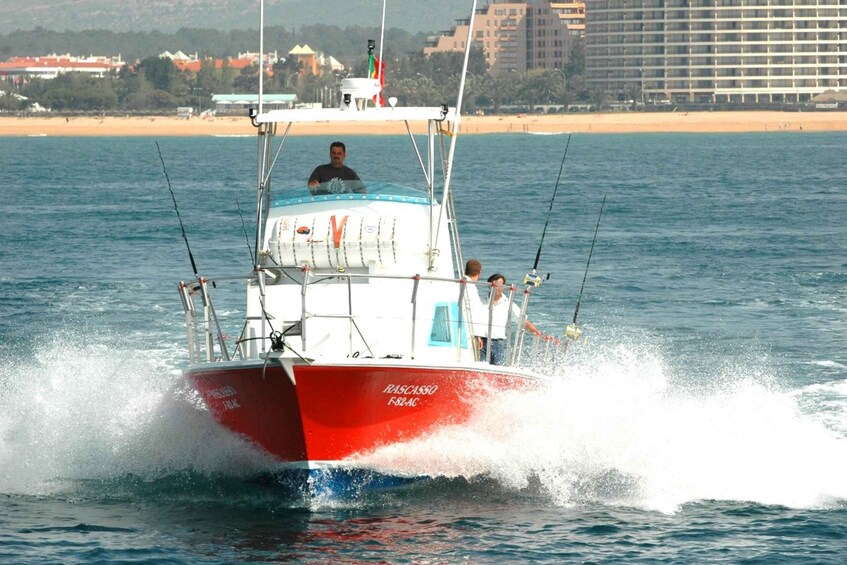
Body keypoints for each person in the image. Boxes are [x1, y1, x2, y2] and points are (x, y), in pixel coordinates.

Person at [479, 273, 542, 365]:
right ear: (489, 285)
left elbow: (522, 320)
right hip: (482, 342)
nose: (497, 287)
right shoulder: (481, 302)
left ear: (503, 286)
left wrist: (536, 332)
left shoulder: (508, 304)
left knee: (498, 371)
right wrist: (477, 337)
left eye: (500, 285)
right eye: (494, 284)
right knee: (480, 369)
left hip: (498, 344)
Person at [463, 259, 487, 355]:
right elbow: (474, 312)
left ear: (466, 270)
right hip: (470, 332)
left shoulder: (460, 284)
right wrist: (478, 335)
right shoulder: (471, 288)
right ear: (479, 272)